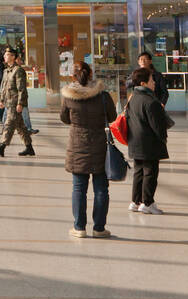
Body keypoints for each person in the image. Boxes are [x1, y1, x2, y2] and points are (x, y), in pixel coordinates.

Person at [59, 61, 116, 238]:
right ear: (91, 73)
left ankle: (79, 227)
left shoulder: (69, 96)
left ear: (73, 76)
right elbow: (112, 116)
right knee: (101, 188)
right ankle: (99, 228)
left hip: (77, 144)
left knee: (78, 188)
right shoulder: (103, 95)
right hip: (99, 143)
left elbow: (64, 118)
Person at [125, 66, 171, 214]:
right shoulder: (150, 101)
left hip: (135, 141)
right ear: (143, 84)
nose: (154, 83)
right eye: (151, 80)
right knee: (150, 172)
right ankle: (147, 202)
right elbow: (157, 125)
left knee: (138, 171)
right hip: (149, 143)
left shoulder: (133, 98)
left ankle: (135, 201)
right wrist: (163, 138)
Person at [0, 48, 35, 157]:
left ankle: (2, 146)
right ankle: (29, 148)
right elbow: (4, 88)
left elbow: (22, 89)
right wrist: (1, 100)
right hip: (8, 102)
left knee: (9, 124)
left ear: (13, 57)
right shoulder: (6, 70)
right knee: (20, 127)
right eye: (5, 54)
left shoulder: (18, 70)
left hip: (15, 103)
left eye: (7, 55)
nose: (5, 56)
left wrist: (20, 103)